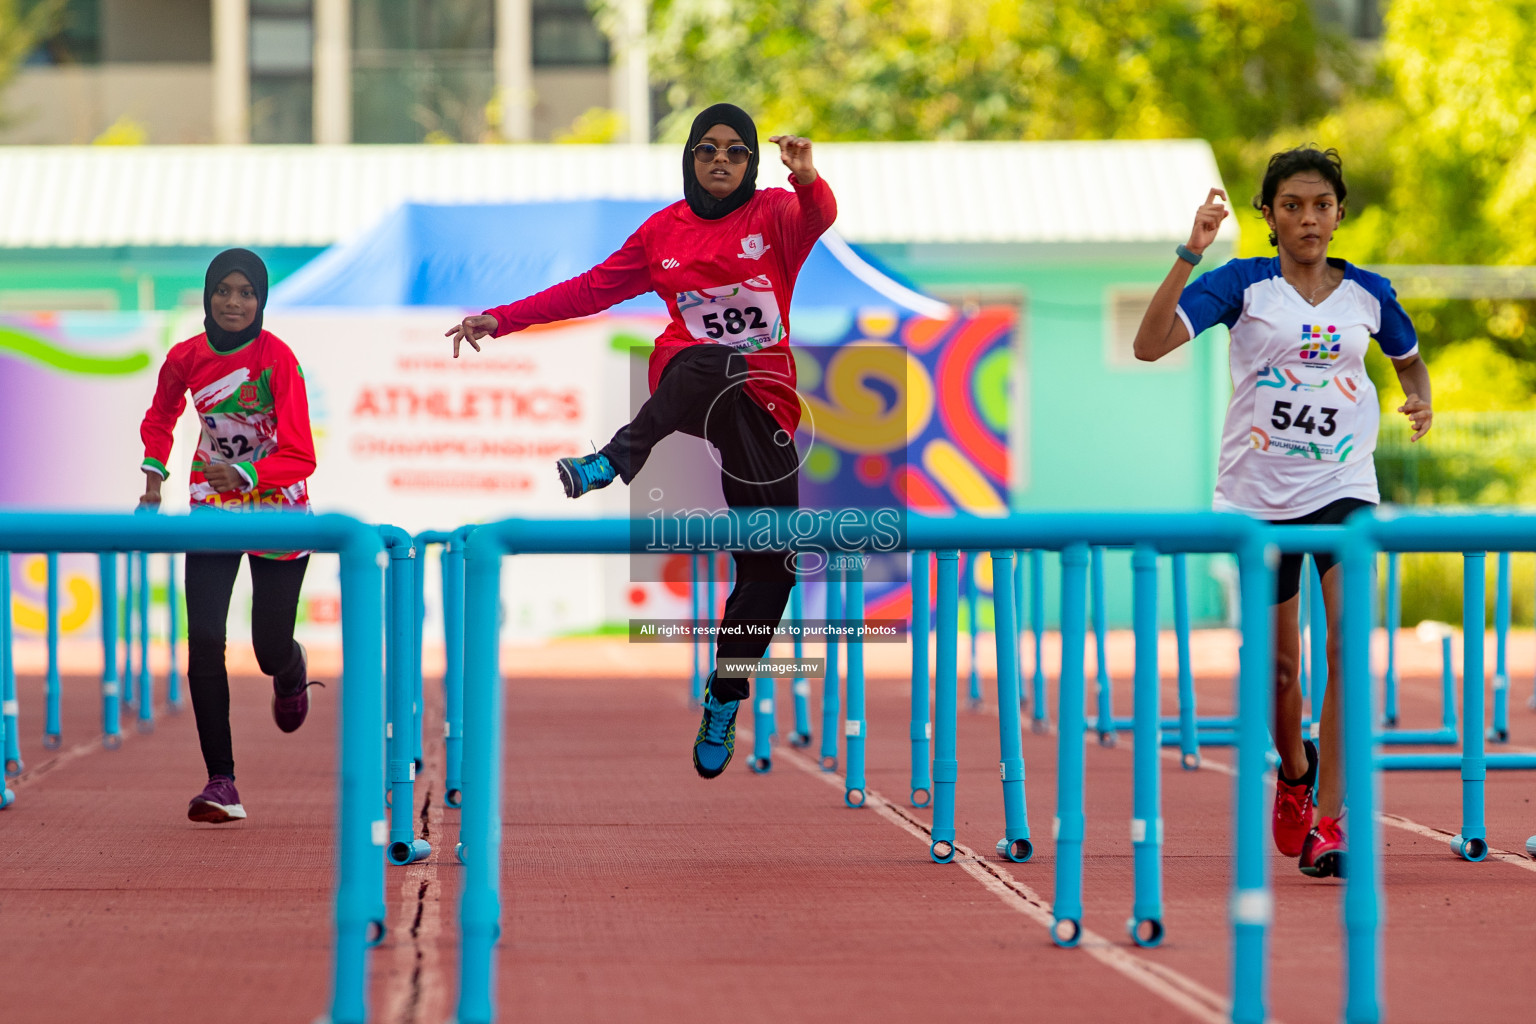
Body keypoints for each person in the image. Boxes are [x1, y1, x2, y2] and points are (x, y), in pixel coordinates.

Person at [446, 103, 835, 780]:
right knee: (708, 358)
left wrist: (805, 178)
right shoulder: (663, 232)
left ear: (750, 162)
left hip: (763, 405)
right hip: (686, 381)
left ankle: (724, 693)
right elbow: (590, 289)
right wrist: (500, 320)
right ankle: (610, 461)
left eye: (735, 152)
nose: (720, 160)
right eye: (707, 149)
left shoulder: (774, 214)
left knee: (772, 562)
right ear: (689, 157)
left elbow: (820, 217)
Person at [1133, 147, 1432, 878]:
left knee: (1344, 653)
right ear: (1268, 215)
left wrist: (1419, 395)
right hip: (1255, 498)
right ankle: (1295, 773)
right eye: (1292, 205)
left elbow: (1407, 357)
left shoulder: (1368, 294)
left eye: (1321, 204)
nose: (1308, 218)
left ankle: (1330, 822)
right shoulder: (1242, 286)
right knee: (1278, 668)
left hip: (1343, 489)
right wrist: (1189, 253)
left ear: (1339, 212)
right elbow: (1147, 346)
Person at [138, 248, 321, 823]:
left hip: (278, 509)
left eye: (246, 293)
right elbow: (161, 416)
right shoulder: (187, 357)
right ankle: (222, 782)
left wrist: (247, 473)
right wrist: (153, 477)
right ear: (208, 296)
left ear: (261, 301)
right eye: (224, 290)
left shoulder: (277, 360)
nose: (234, 302)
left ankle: (291, 671)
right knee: (205, 642)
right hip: (212, 505)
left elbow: (301, 455)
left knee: (268, 649)